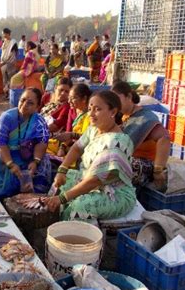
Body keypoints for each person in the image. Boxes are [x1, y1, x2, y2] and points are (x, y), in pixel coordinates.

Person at [44, 91, 136, 223]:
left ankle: (79, 240)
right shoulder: (94, 129)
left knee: (81, 205)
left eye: (97, 109)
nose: (91, 114)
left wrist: (63, 198)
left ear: (113, 112)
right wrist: (62, 169)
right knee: (65, 180)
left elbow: (96, 180)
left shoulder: (116, 142)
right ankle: (55, 223)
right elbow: (77, 148)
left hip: (114, 193)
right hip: (90, 181)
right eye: (89, 109)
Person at [0, 88, 51, 198]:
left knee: (45, 162)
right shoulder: (7, 117)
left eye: (30, 103)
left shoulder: (39, 121)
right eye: (22, 100)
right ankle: (1, 190)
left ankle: (27, 190)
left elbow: (42, 142)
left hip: (28, 159)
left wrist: (35, 161)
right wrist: (11, 164)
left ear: (37, 107)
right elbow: (1, 144)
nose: (24, 104)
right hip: (5, 157)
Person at [112, 81, 171, 189]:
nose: (115, 105)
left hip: (145, 165)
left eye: (117, 100)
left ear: (129, 96)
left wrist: (158, 171)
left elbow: (165, 138)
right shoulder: (124, 116)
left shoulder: (145, 118)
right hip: (129, 160)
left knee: (115, 167)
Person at [53, 83, 92, 157]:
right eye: (69, 98)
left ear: (84, 99)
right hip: (69, 145)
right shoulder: (72, 110)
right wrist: (62, 147)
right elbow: (68, 131)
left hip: (82, 148)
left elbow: (87, 138)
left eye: (73, 98)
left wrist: (72, 135)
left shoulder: (90, 116)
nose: (69, 101)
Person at [40, 79, 73, 155]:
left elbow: (55, 126)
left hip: (46, 135)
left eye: (66, 92)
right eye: (60, 90)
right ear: (55, 89)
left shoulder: (67, 106)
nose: (63, 93)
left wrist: (34, 131)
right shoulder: (47, 97)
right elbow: (35, 111)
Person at [0, 28, 18, 98]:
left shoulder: (13, 42)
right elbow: (3, 52)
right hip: (3, 63)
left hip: (10, 63)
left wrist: (12, 61)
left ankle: (10, 95)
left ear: (7, 34)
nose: (3, 35)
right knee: (5, 80)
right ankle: (6, 94)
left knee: (11, 79)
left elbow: (15, 53)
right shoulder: (4, 42)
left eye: (3, 34)